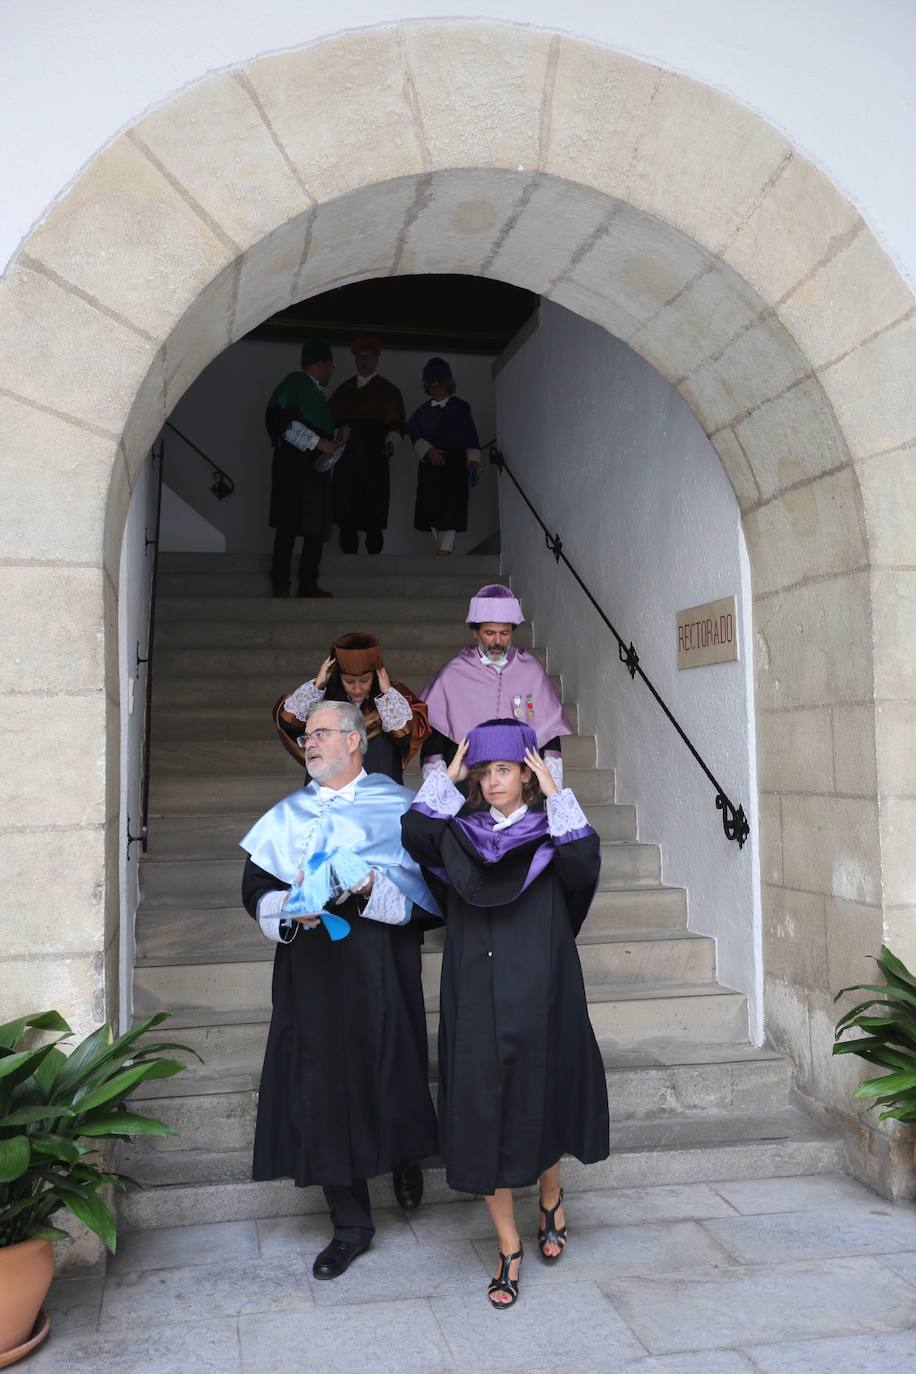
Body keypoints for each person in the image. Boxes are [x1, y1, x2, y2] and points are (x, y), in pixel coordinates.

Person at [401, 718, 609, 1308]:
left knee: (538, 1099)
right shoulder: (459, 834)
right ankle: (508, 1248)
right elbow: (415, 832)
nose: (493, 783)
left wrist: (558, 792)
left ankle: (550, 1197)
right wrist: (449, 775)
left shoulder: (553, 834)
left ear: (526, 774)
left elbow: (584, 868)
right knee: (481, 1108)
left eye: (504, 770)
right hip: (474, 988)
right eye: (485, 772)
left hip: (541, 985)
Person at [240, 700, 439, 1279]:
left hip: (380, 964)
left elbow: (434, 896)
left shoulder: (400, 808)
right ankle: (351, 1224)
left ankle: (405, 1156)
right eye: (307, 735)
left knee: (393, 1069)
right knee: (321, 1087)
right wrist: (286, 910)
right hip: (312, 975)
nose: (310, 742)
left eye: (322, 733)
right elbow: (253, 887)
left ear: (355, 741)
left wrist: (371, 884)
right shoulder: (286, 814)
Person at [420, 583, 572, 785]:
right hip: (469, 783)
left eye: (505, 633)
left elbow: (549, 734)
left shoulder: (531, 670)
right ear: (475, 632)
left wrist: (553, 792)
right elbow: (435, 739)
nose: (498, 641)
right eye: (490, 633)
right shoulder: (453, 674)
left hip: (521, 784)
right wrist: (437, 793)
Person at [274, 631, 430, 784]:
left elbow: (405, 737)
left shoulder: (392, 698)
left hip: (379, 792)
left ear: (376, 675)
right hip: (330, 788)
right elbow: (289, 724)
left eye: (364, 680)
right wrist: (318, 684)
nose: (357, 689)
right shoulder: (323, 698)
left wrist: (386, 691)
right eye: (349, 681)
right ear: (338, 677)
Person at [265, 336, 349, 599]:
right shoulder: (296, 384)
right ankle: (281, 582)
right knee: (289, 525)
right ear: (321, 364)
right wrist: (318, 442)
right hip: (293, 470)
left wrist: (335, 434)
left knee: (314, 527)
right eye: (330, 365)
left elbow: (313, 425)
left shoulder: (312, 391)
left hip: (313, 472)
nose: (332, 371)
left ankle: (307, 583)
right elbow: (279, 422)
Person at [329, 334, 406, 555]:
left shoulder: (389, 392)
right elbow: (328, 424)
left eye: (368, 357)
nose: (364, 362)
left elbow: (397, 426)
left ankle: (374, 562)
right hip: (348, 461)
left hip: (375, 460)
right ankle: (348, 558)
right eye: (360, 357)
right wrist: (338, 434)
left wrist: (391, 442)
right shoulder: (343, 391)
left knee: (374, 516)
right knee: (347, 517)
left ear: (377, 359)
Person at [407, 357, 481, 555]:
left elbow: (471, 437)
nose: (434, 389)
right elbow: (414, 435)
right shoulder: (421, 413)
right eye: (430, 386)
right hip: (430, 468)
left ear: (447, 384)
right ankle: (444, 548)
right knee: (430, 510)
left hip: (455, 465)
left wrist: (473, 462)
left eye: (438, 384)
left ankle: (444, 552)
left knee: (451, 509)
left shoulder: (462, 408)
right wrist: (428, 451)